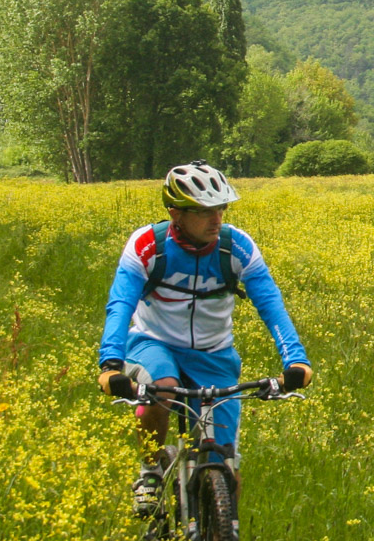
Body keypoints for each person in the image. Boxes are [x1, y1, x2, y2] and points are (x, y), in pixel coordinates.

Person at [96, 161, 313, 513]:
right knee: (162, 386)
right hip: (154, 343)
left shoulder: (236, 247)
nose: (216, 219)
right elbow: (120, 304)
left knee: (225, 465)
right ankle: (150, 469)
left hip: (214, 355)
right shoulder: (148, 245)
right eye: (203, 211)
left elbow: (271, 304)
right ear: (175, 213)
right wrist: (110, 363)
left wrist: (296, 360)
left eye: (221, 208)